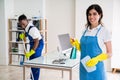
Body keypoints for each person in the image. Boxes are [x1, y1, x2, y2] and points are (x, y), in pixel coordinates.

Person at [71, 4, 112, 80]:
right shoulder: (85, 30)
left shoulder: (104, 31)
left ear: (100, 15)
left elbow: (110, 53)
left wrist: (97, 59)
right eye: (89, 14)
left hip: (97, 70)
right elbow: (83, 49)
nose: (91, 17)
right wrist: (76, 44)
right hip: (84, 67)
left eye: (94, 14)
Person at [18, 14, 44, 80]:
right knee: (32, 62)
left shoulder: (32, 29)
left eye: (23, 23)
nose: (22, 25)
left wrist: (32, 51)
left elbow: (37, 42)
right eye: (20, 24)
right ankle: (32, 77)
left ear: (26, 20)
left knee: (35, 63)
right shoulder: (27, 27)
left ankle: (35, 79)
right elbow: (27, 33)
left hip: (38, 44)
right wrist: (23, 35)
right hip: (33, 44)